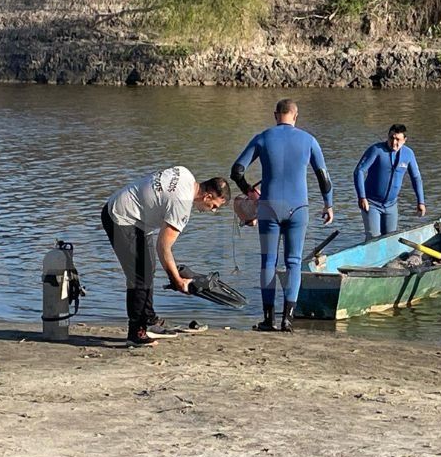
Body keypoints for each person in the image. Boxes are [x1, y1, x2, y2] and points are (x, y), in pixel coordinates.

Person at [231, 99, 334, 333]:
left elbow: (237, 171)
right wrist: (328, 204)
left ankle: (268, 320)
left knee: (268, 261)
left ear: (275, 115)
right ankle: (288, 319)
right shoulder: (309, 140)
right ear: (295, 116)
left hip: (269, 207)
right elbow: (324, 178)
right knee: (293, 262)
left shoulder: (263, 138)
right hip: (298, 209)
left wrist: (250, 192)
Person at [101, 167, 230, 346]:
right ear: (207, 196)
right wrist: (177, 281)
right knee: (140, 275)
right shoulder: (182, 205)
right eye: (214, 206)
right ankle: (136, 332)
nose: (213, 211)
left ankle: (149, 319)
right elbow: (163, 247)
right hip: (120, 216)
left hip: (136, 216)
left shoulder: (186, 174)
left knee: (148, 269)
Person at [353, 123, 425, 239]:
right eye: (391, 138)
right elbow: (359, 171)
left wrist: (421, 202)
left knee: (391, 238)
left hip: (391, 204)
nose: (394, 142)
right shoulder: (376, 150)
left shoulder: (408, 154)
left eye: (398, 139)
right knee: (373, 238)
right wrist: (362, 197)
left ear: (404, 140)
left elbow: (416, 177)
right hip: (372, 203)